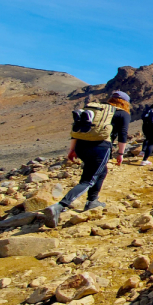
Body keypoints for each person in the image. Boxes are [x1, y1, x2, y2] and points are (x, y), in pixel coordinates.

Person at [42, 91, 131, 228]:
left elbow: (77, 129)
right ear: (125, 102)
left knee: (101, 171)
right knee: (88, 180)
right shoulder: (122, 113)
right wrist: (120, 153)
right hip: (100, 147)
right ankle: (59, 206)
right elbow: (123, 134)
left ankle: (92, 201)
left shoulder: (96, 110)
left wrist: (71, 150)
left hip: (81, 146)